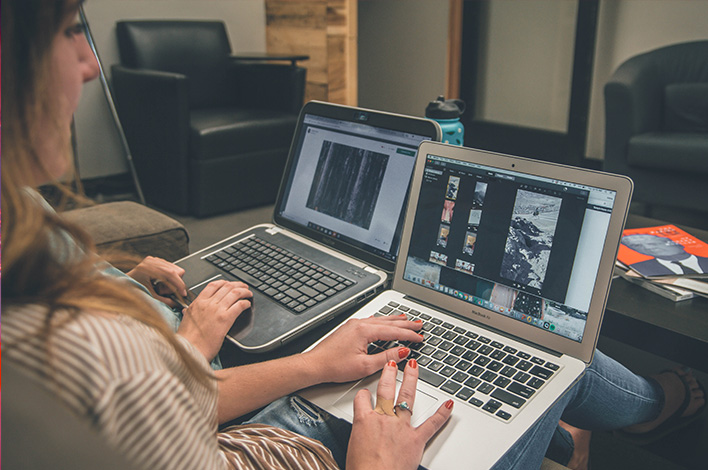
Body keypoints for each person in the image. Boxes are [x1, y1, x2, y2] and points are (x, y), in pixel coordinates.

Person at [2, 2, 704, 470]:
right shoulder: (44, 359)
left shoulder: (19, 224)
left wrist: (309, 364)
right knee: (538, 355)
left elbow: (158, 407)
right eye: (70, 31)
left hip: (242, 392)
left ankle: (605, 417)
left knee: (506, 343)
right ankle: (647, 409)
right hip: (274, 433)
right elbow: (178, 416)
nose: (90, 63)